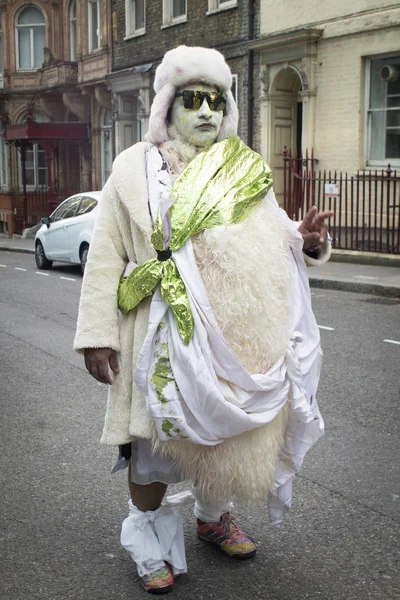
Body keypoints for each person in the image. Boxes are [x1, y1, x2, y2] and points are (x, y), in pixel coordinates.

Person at [74, 45, 333, 594]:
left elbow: (279, 236)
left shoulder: (243, 167)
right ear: (167, 106)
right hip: (155, 332)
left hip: (230, 339)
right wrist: (96, 337)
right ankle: (148, 542)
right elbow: (105, 256)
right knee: (150, 447)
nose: (207, 112)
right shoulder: (132, 169)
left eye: (216, 100)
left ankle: (214, 518)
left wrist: (307, 242)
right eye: (193, 99)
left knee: (224, 439)